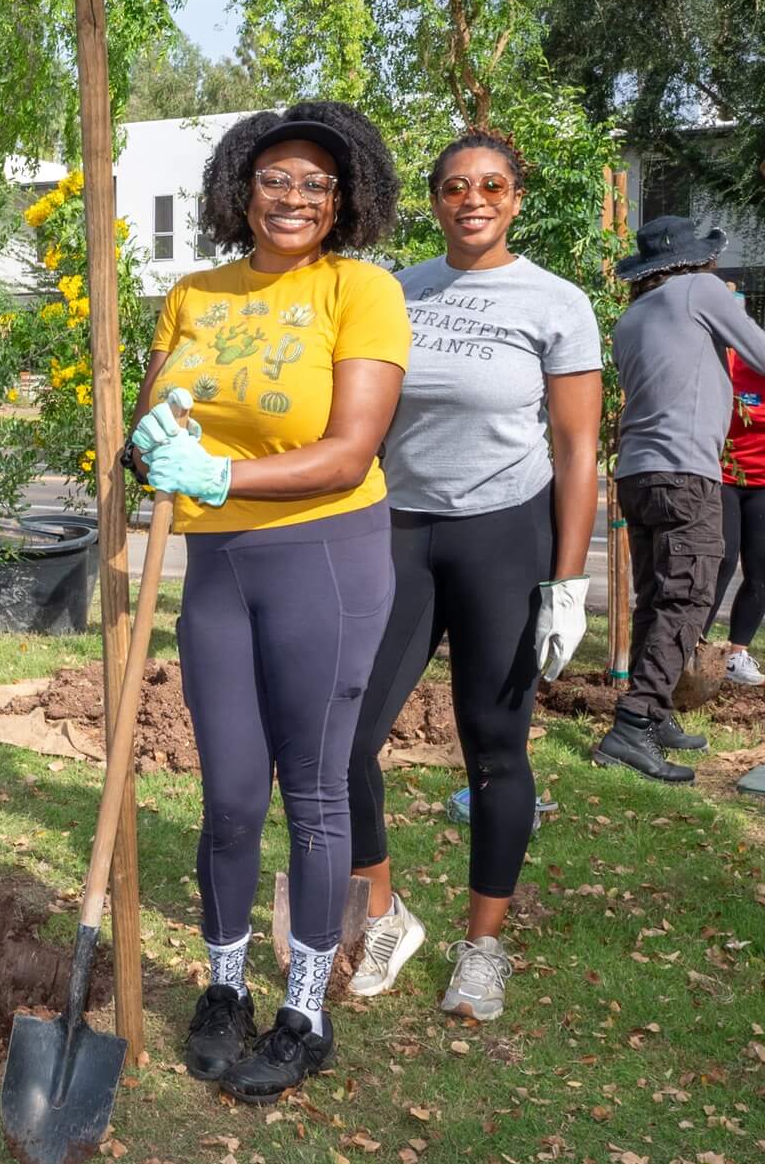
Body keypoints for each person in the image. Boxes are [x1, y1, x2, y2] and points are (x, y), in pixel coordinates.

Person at [126, 101, 409, 1101]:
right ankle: (222, 985)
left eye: (314, 185)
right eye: (275, 179)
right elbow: (153, 423)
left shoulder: (358, 290)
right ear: (240, 189)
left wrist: (217, 477)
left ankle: (303, 1008)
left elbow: (349, 449)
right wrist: (146, 445)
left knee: (313, 788)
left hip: (321, 557)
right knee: (230, 791)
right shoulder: (193, 293)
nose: (292, 198)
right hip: (215, 568)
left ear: (342, 204)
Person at [339, 130, 602, 1022]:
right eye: (455, 186)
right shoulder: (395, 291)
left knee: (495, 747)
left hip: (504, 534)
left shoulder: (556, 302)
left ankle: (482, 947)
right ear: (436, 200)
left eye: (491, 185)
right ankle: (382, 913)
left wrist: (568, 580)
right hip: (401, 530)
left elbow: (576, 448)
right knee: (343, 741)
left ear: (516, 197)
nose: (473, 199)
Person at [598, 217, 765, 781]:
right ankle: (633, 723)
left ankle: (657, 710)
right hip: (685, 471)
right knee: (689, 598)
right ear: (696, 261)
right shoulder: (702, 290)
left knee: (656, 597)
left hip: (637, 474)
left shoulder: (632, 317)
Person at [713, 284, 765, 687]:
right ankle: (692, 644)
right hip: (724, 476)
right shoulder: (727, 363)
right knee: (722, 560)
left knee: (761, 570)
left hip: (763, 484)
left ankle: (737, 655)